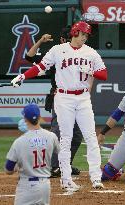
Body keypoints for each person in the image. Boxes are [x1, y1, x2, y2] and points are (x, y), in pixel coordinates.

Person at [11, 21, 108, 191]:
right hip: (63, 97)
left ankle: (95, 178)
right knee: (65, 139)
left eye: (86, 35)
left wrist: (90, 71)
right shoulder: (57, 50)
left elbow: (104, 74)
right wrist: (22, 76)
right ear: (75, 32)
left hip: (83, 98)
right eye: (83, 34)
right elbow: (40, 67)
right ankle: (66, 179)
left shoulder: (91, 53)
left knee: (91, 138)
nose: (85, 37)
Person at [25, 27, 82, 178]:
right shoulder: (55, 53)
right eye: (69, 39)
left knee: (76, 134)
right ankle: (49, 167)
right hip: (59, 97)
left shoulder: (81, 53)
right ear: (63, 40)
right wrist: (40, 41)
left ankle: (64, 165)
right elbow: (29, 57)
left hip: (76, 99)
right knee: (58, 133)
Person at [5, 103, 60, 205]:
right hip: (45, 186)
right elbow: (61, 154)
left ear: (25, 119)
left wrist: (17, 167)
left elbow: (8, 169)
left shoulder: (19, 142)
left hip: (27, 187)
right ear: (40, 117)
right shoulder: (52, 137)